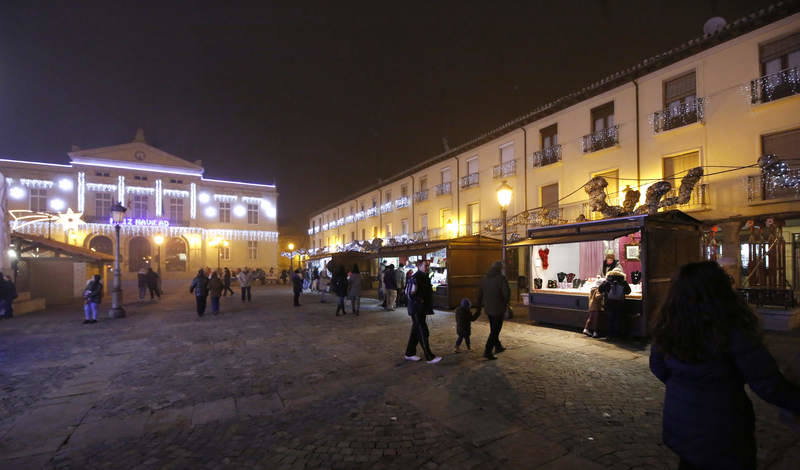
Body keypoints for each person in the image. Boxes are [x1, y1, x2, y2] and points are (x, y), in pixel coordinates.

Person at [649, 261, 800, 470]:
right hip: (724, 428)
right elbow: (767, 383)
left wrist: (684, 385)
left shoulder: (669, 324)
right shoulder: (732, 327)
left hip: (681, 424)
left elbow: (657, 366)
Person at [404, 260, 441, 364]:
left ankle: (409, 353)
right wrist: (419, 300)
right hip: (417, 309)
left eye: (428, 265)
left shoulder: (423, 276)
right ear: (419, 266)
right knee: (423, 331)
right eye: (425, 265)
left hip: (419, 308)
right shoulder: (417, 277)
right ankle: (429, 356)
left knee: (416, 331)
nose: (427, 267)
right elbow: (410, 293)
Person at [475, 261, 510, 360]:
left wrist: (479, 306)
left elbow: (480, 293)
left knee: (493, 328)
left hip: (488, 308)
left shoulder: (485, 278)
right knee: (495, 330)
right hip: (498, 308)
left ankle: (498, 346)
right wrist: (506, 303)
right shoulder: (501, 279)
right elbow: (506, 294)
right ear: (500, 269)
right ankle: (488, 351)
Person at [598, 266, 630, 339]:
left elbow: (600, 290)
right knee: (619, 319)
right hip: (620, 303)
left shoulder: (608, 280)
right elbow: (628, 291)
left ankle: (609, 335)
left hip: (609, 303)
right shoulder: (623, 281)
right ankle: (618, 335)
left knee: (610, 319)